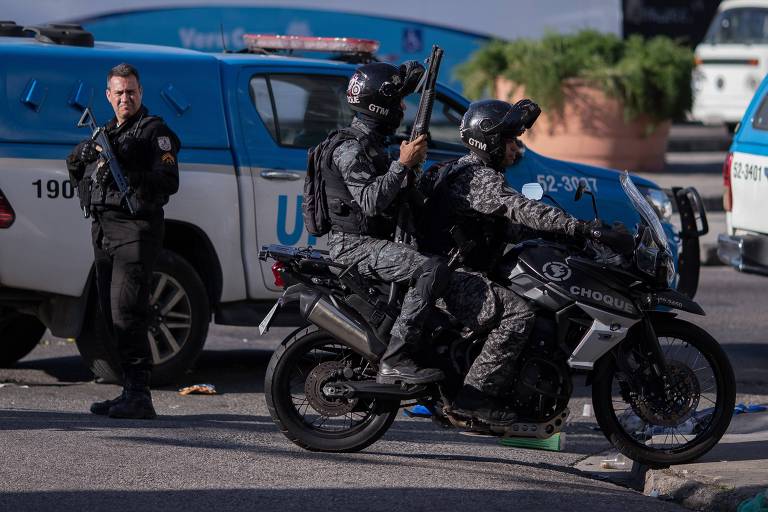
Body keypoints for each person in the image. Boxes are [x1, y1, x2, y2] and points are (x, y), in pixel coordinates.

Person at [417, 99, 634, 425]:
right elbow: (518, 207)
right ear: (488, 140)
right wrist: (579, 226)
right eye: (509, 140)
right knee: (517, 314)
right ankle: (474, 398)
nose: (515, 147)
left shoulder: (475, 173)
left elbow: (507, 225)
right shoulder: (477, 178)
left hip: (448, 271)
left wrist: (568, 237)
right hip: (448, 276)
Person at [319, 61, 448, 385]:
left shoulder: (375, 145)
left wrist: (412, 168)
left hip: (373, 240)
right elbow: (371, 202)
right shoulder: (349, 147)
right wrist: (402, 165)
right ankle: (396, 360)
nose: (403, 108)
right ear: (379, 104)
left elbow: (401, 196)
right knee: (428, 270)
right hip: (353, 245)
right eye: (398, 101)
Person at [66, 63, 180, 419]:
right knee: (108, 313)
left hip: (135, 230)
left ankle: (139, 394)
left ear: (140, 93)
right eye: (119, 92)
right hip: (103, 231)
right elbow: (75, 171)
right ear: (108, 96)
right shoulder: (105, 134)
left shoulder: (154, 132)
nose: (125, 98)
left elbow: (168, 180)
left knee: (127, 311)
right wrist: (82, 156)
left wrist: (130, 173)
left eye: (131, 91)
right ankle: (127, 390)